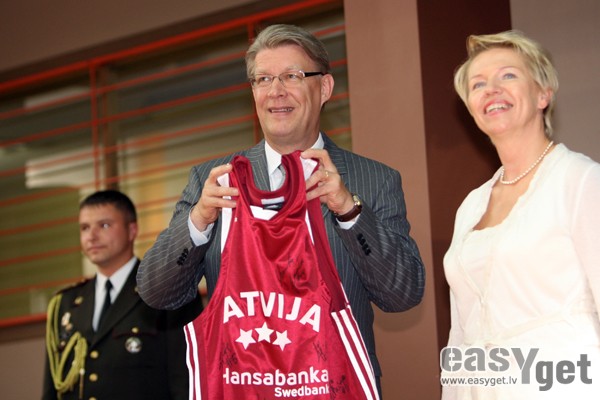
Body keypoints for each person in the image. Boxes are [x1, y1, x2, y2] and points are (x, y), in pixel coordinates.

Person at [136, 23, 425, 397]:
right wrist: (199, 220)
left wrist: (348, 210)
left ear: (324, 88)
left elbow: (402, 294)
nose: (276, 91)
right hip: (241, 389)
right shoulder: (214, 181)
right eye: (263, 79)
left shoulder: (372, 180)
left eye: (292, 76)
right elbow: (156, 292)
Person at [442, 30, 600, 399]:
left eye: (508, 75)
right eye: (478, 84)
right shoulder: (470, 206)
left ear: (544, 94)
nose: (491, 90)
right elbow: (460, 332)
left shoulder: (581, 180)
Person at [42, 190, 203, 400]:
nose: (92, 236)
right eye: (85, 228)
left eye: (104, 225)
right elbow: (52, 389)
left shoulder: (169, 291)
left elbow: (186, 382)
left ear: (132, 230)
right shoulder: (66, 303)